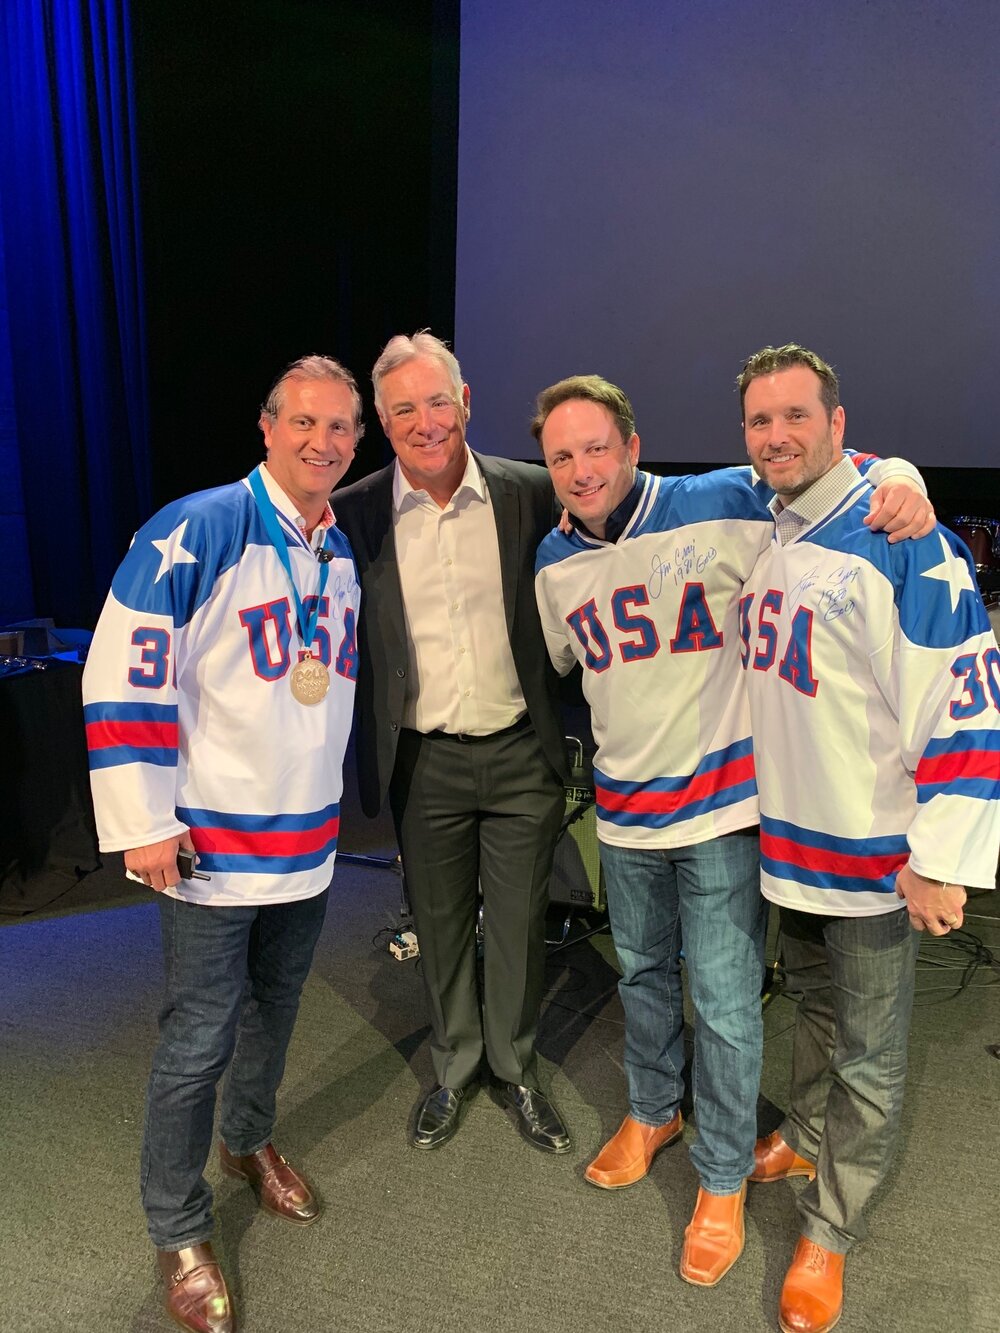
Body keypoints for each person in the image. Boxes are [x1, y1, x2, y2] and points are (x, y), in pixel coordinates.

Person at [531, 374, 934, 1288]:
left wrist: (901, 474)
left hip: (721, 812)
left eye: (597, 448)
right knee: (640, 975)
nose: (582, 469)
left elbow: (823, 471)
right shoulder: (553, 559)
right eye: (561, 457)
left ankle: (720, 1175)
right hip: (623, 816)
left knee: (721, 1002)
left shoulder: (722, 498)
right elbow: (571, 664)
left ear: (633, 446)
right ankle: (653, 1108)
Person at [83, 355, 363, 1333]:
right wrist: (143, 818)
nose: (323, 441)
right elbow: (121, 670)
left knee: (275, 1011)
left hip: (305, 838)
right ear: (267, 426)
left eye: (341, 427)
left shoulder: (335, 547)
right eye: (305, 422)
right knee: (198, 1037)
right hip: (208, 842)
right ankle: (178, 1228)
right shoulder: (199, 526)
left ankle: (247, 1141)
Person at [737, 343, 1000, 1333]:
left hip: (877, 862)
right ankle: (806, 1135)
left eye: (796, 416)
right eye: (760, 421)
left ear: (838, 424)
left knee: (873, 1056)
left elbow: (965, 708)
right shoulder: (774, 525)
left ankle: (830, 1229)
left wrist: (939, 859)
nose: (777, 437)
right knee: (813, 1010)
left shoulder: (904, 540)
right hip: (792, 847)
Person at [332, 332, 572, 1155]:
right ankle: (455, 1067)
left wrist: (887, 475)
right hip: (422, 759)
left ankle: (516, 1068)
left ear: (465, 403)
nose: (426, 422)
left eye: (439, 401)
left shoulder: (529, 491)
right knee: (437, 926)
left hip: (520, 750)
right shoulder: (355, 510)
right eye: (404, 409)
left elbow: (627, 497)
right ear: (383, 422)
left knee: (517, 924)